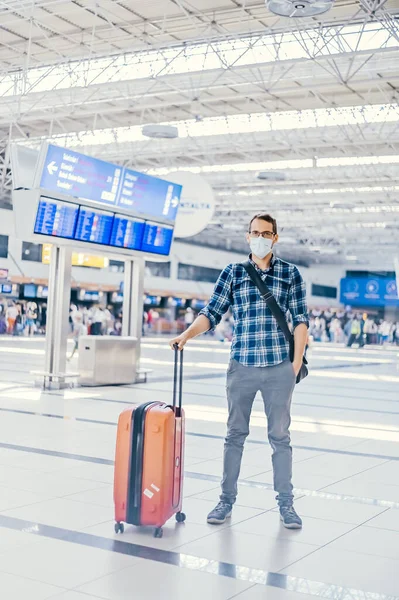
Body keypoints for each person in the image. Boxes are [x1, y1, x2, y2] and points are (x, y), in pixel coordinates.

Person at [170, 213, 308, 529]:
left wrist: (295, 363)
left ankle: (286, 505)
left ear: (275, 237)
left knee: (280, 437)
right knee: (234, 435)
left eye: (266, 233)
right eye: (255, 232)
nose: (260, 237)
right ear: (247, 236)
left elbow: (301, 320)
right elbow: (211, 313)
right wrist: (186, 335)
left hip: (278, 368)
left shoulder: (290, 274)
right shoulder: (233, 273)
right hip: (241, 366)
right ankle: (225, 501)